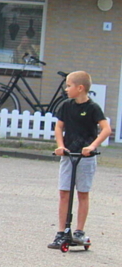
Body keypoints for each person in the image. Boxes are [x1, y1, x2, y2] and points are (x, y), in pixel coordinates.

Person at [48, 70, 111, 249]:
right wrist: (61, 146)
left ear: (80, 88)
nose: (66, 89)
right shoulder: (65, 106)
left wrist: (92, 146)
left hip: (86, 157)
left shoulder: (93, 108)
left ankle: (79, 231)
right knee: (64, 193)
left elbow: (106, 129)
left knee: (82, 193)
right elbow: (59, 127)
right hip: (69, 154)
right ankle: (61, 232)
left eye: (69, 86)